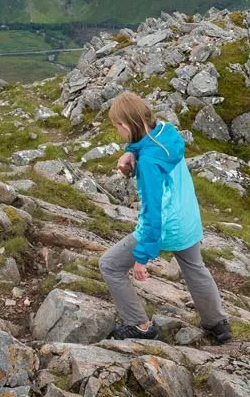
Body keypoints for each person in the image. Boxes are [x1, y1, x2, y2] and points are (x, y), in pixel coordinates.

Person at [99, 92, 231, 344]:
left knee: (110, 265)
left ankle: (140, 326)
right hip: (188, 219)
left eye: (117, 127)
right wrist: (131, 153)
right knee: (195, 269)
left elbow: (153, 211)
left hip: (165, 226)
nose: (117, 132)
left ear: (125, 125)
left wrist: (142, 257)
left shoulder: (148, 163)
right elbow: (147, 142)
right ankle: (217, 324)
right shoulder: (167, 132)